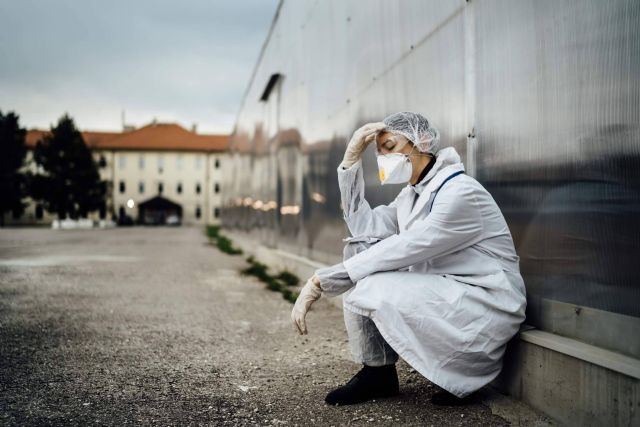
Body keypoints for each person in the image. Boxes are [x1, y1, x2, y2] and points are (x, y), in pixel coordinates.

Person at [291, 111, 527, 406]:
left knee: (369, 282)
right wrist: (349, 163)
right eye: (378, 152)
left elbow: (408, 246)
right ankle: (378, 374)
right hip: (449, 289)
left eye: (389, 147)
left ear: (422, 142)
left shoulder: (460, 192)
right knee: (359, 250)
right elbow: (365, 229)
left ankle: (462, 371)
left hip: (483, 299)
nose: (383, 158)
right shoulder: (412, 195)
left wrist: (322, 281)